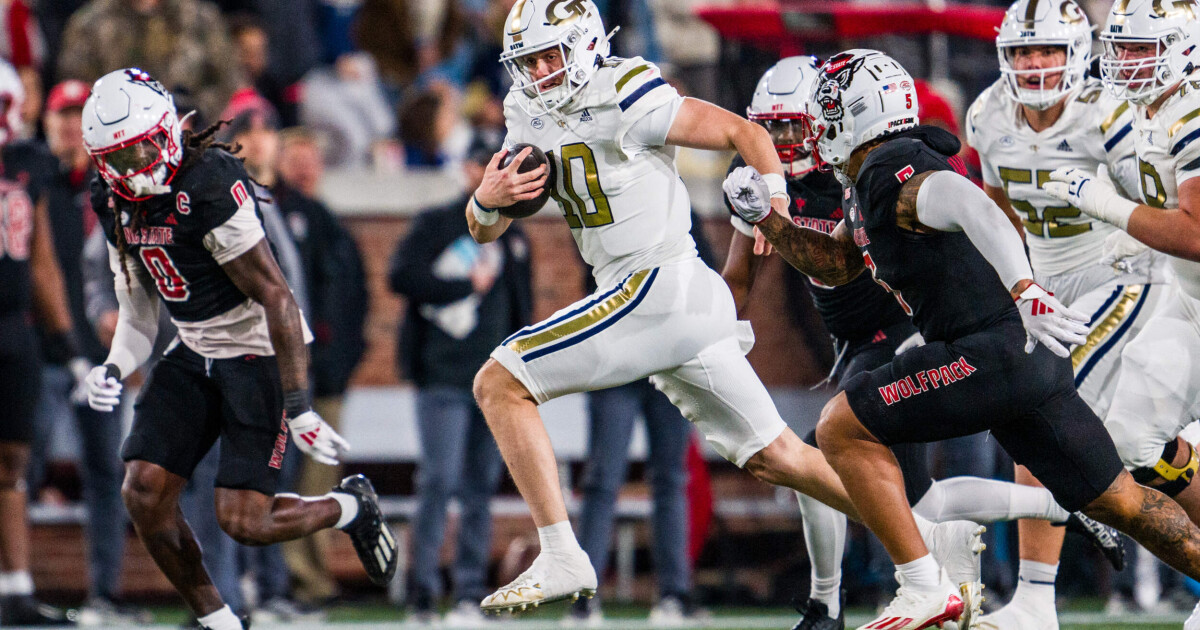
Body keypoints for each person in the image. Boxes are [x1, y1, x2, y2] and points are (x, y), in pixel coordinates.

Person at [466, 0, 981, 617]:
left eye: (551, 55)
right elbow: (485, 228)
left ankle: (560, 551)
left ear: (583, 46)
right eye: (529, 61)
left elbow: (748, 133)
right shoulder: (527, 108)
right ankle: (929, 553)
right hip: (666, 301)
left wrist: (775, 205)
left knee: (500, 383)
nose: (541, 72)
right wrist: (486, 203)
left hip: (657, 284)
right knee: (783, 459)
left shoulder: (623, 90)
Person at [725, 47, 1200, 630]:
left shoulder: (891, 168)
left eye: (824, 111)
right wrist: (769, 221)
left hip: (986, 351)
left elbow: (974, 207)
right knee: (1119, 500)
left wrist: (1026, 287)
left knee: (840, 427)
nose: (815, 126)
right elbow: (842, 263)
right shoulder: (871, 173)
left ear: (854, 113)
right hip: (1019, 359)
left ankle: (923, 586)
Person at [78, 68, 397, 630]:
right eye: (119, 160)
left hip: (257, 350)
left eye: (141, 152)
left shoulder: (208, 182)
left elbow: (277, 297)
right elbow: (137, 312)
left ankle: (351, 506)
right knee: (144, 492)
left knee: (244, 520)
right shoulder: (115, 200)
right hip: (192, 346)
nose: (132, 171)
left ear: (167, 130)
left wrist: (299, 406)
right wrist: (114, 364)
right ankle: (219, 621)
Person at [962, 2, 1173, 627]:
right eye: (1024, 52)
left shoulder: (1107, 113)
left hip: (1122, 271)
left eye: (1047, 50)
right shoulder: (986, 114)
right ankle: (1034, 598)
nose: (1034, 63)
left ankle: (1066, 528)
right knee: (1053, 427)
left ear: (1076, 53)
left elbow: (1154, 212)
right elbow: (995, 215)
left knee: (1047, 401)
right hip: (1047, 282)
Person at [1046, 1, 1200, 626]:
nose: (1128, 61)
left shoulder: (1191, 114)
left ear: (1185, 49)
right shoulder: (1149, 110)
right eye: (1124, 47)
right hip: (1190, 300)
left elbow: (1196, 233)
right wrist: (1140, 235)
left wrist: (1109, 209)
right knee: (1134, 439)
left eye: (1143, 50)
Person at [389, 133, 533, 625]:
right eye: (486, 165)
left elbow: (521, 310)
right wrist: (459, 286)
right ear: (471, 170)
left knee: (480, 488)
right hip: (444, 376)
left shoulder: (513, 234)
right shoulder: (437, 222)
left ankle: (470, 590)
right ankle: (423, 592)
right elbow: (401, 277)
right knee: (439, 480)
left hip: (494, 382)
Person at [24, 78, 146, 625]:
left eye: (80, 114)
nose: (71, 124)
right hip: (44, 353)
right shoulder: (29, 177)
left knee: (106, 473)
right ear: (45, 122)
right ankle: (17, 586)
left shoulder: (110, 184)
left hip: (99, 355)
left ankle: (105, 594)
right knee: (19, 470)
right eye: (62, 115)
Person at [569, 213, 720, 627]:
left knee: (671, 478)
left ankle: (675, 593)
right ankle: (585, 594)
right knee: (603, 477)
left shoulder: (678, 207)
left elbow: (704, 274)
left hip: (668, 358)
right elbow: (597, 273)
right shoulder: (604, 204)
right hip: (616, 359)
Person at [0, 59, 79, 628]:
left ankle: (16, 589)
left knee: (12, 463)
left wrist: (67, 346)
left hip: (13, 327)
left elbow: (44, 263)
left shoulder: (29, 162)